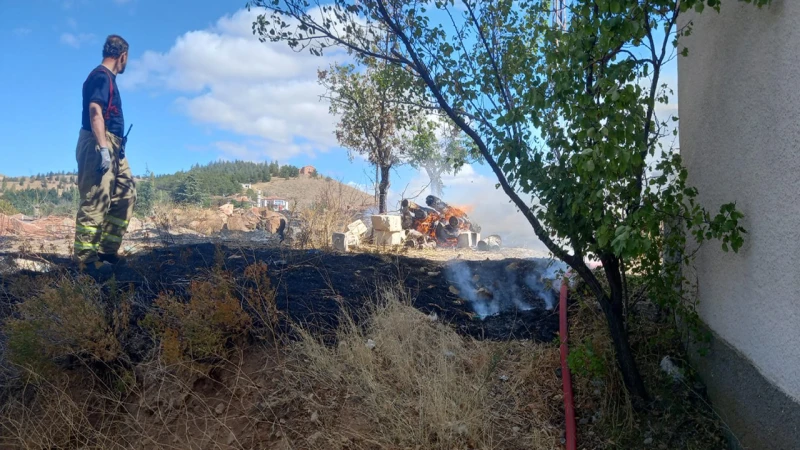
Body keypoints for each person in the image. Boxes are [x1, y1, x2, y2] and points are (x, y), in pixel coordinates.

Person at [73, 35, 136, 274]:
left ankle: (107, 252)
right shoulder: (100, 76)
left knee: (126, 194)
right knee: (95, 199)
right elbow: (95, 111)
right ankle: (86, 262)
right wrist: (102, 149)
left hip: (115, 145)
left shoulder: (107, 78)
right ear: (123, 56)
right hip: (99, 142)